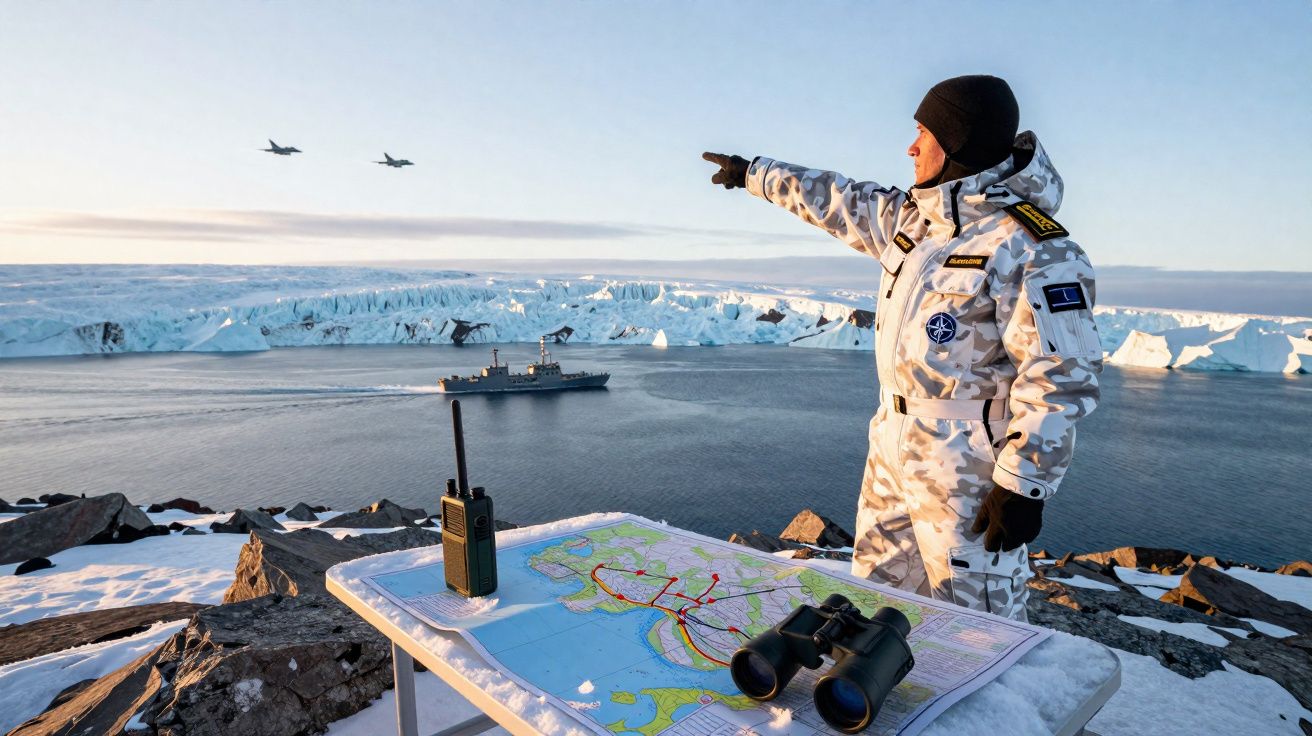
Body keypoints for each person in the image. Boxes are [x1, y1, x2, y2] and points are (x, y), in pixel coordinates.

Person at [702, 75, 1101, 622]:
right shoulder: (915, 222)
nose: (910, 147)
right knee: (876, 593)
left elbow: (1060, 374)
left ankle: (984, 701)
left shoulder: (1033, 248)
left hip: (968, 460)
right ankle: (880, 693)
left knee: (976, 613)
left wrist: (1026, 484)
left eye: (923, 132)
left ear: (957, 140)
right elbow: (837, 199)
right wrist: (755, 174)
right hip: (892, 440)